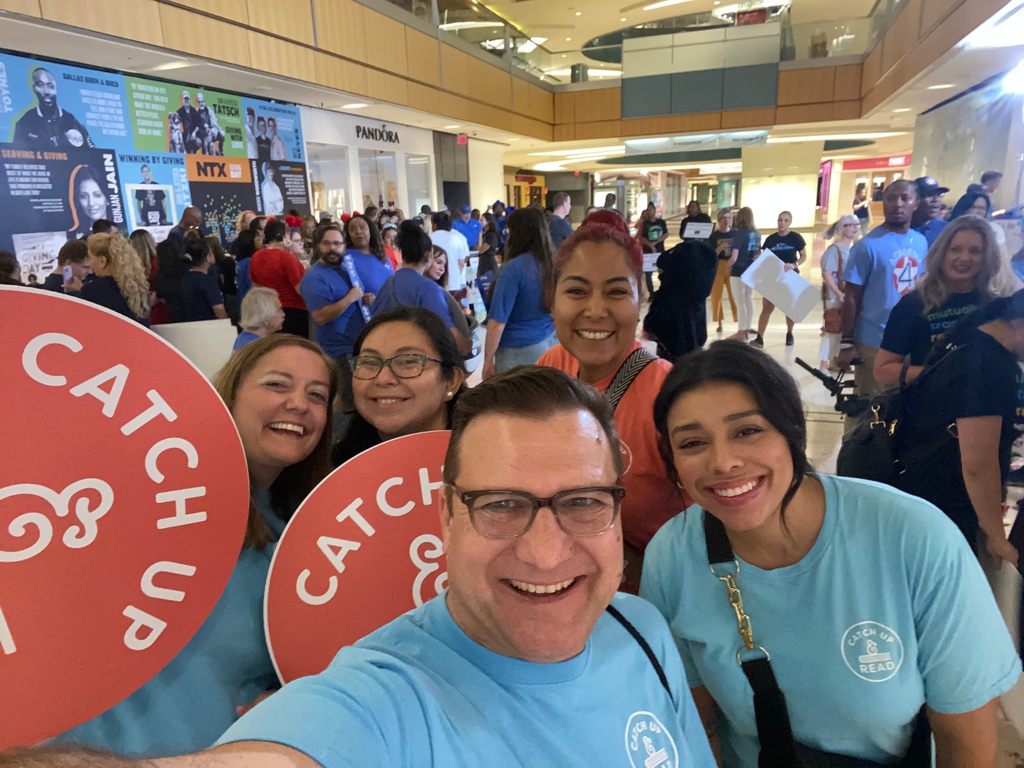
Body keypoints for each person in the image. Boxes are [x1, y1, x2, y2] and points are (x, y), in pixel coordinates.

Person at [17, 366, 717, 767]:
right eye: (500, 504)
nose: (543, 550)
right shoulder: (387, 697)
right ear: (446, 516)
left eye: (582, 502)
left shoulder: (640, 629)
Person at [641, 340, 1020, 768]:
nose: (723, 462)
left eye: (747, 431)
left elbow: (965, 744)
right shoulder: (673, 557)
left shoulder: (914, 538)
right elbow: (698, 727)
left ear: (791, 430)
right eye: (692, 443)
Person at [51, 336, 338, 758]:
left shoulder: (296, 541)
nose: (299, 403)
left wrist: (283, 697)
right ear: (230, 393)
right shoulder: (141, 499)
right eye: (277, 384)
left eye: (317, 395)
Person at [537, 210, 682, 591]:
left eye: (617, 291)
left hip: (653, 596)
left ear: (640, 299)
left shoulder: (668, 394)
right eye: (577, 291)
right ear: (553, 298)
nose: (596, 310)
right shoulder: (550, 367)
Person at [892, 290, 1024, 560]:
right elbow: (978, 463)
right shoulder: (988, 364)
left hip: (917, 489)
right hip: (942, 502)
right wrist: (997, 538)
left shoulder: (970, 336)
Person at [876, 216, 1015, 385]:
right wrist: (943, 373)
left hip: (988, 405)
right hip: (931, 406)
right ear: (941, 253)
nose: (964, 258)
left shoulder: (996, 304)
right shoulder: (913, 304)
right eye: (955, 249)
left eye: (975, 251)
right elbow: (882, 370)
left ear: (987, 257)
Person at [332, 307, 467, 465]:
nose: (383, 378)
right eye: (369, 362)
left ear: (451, 381)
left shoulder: (488, 460)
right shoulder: (333, 465)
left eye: (408, 361)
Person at [837, 179, 928, 407]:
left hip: (909, 339)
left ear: (915, 203)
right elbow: (851, 297)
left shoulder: (921, 242)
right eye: (891, 198)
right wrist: (847, 343)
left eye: (904, 198)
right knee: (870, 406)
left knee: (902, 404)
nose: (897, 203)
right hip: (873, 341)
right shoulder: (867, 246)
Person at [301, 222, 391, 408]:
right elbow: (320, 316)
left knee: (362, 396)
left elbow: (353, 297)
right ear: (318, 246)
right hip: (339, 350)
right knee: (348, 400)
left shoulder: (344, 269)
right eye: (327, 243)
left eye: (337, 244)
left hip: (357, 344)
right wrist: (350, 299)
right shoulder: (314, 278)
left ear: (344, 246)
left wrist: (363, 299)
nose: (333, 248)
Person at [370, 221, 473, 357]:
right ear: (427, 256)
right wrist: (471, 345)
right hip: (415, 362)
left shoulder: (387, 284)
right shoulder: (428, 288)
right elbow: (451, 336)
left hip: (386, 356)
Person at [482, 207, 558, 378]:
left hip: (517, 351)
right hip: (550, 342)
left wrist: (488, 361)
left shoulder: (513, 269)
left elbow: (497, 323)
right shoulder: (553, 263)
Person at [642, 239, 717, 361]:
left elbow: (652, 332)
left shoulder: (665, 302)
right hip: (691, 361)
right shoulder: (698, 298)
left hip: (667, 363)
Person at [752, 211, 806, 348]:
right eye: (780, 220)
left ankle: (789, 333)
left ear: (790, 222)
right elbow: (764, 256)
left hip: (790, 275)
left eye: (785, 220)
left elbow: (803, 256)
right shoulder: (771, 239)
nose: (782, 223)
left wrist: (794, 265)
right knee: (767, 307)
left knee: (789, 307)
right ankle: (760, 337)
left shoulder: (796, 238)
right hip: (773, 277)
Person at [249, 219, 308, 337]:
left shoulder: (255, 257)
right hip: (293, 310)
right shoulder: (286, 257)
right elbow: (300, 289)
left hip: (268, 311)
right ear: (285, 235)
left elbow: (255, 286)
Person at [13, 66, 93, 149]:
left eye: (50, 86)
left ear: (56, 89)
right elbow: (15, 157)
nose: (46, 91)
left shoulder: (71, 121)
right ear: (34, 88)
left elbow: (94, 155)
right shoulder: (24, 123)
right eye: (40, 85)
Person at [817, 214, 859, 371]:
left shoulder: (854, 248)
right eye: (851, 225)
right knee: (832, 328)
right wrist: (839, 293)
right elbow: (827, 274)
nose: (855, 228)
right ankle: (824, 363)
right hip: (835, 296)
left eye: (856, 225)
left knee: (843, 330)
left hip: (847, 295)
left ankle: (835, 361)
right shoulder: (834, 250)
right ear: (842, 228)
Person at [79, 233, 150, 325]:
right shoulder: (139, 286)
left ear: (102, 261)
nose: (90, 263)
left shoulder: (91, 290)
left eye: (90, 258)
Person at [726, 207, 760, 341]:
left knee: (740, 302)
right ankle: (748, 327)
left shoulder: (740, 233)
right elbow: (758, 253)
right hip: (752, 269)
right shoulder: (757, 233)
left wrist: (727, 266)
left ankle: (741, 330)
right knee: (749, 298)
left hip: (739, 270)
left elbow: (734, 256)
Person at [181, 237, 228, 322]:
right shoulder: (208, 281)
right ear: (207, 257)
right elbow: (219, 310)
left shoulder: (185, 278)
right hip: (208, 327)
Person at [707, 208, 737, 334]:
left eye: (729, 218)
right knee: (717, 295)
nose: (727, 221)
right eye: (724, 218)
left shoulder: (736, 234)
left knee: (734, 294)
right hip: (718, 265)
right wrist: (720, 248)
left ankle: (739, 321)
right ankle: (719, 322)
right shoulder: (714, 236)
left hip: (732, 266)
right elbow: (711, 254)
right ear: (719, 220)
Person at [430, 212, 469, 303]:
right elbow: (461, 263)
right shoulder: (456, 238)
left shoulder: (429, 238)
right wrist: (455, 277)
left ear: (434, 225)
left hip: (435, 283)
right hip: (454, 284)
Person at [233, 287, 285, 351]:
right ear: (265, 315)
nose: (283, 314)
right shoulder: (256, 348)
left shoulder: (244, 339)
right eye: (279, 310)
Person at [68, 166, 111, 240]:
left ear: (107, 199)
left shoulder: (121, 231)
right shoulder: (75, 237)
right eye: (83, 196)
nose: (91, 203)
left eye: (97, 195)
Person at [638, 202, 668, 297]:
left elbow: (666, 234)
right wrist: (650, 245)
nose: (650, 212)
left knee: (662, 270)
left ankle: (663, 290)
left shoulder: (661, 222)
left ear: (654, 210)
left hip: (659, 250)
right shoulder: (644, 224)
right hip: (647, 251)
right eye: (648, 210)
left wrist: (657, 241)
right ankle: (651, 293)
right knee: (648, 273)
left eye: (651, 210)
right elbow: (641, 237)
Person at [911, 176, 949, 247]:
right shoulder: (901, 230)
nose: (936, 199)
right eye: (929, 195)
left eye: (939, 195)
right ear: (915, 200)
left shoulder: (947, 229)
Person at [477, 212, 500, 279]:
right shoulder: (485, 234)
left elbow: (481, 250)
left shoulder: (491, 236)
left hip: (489, 265)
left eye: (482, 220)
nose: (480, 222)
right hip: (482, 264)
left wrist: (480, 235)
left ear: (488, 221)